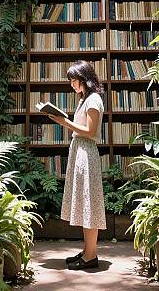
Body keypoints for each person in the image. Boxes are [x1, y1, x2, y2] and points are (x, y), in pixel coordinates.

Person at [45, 60, 106, 270]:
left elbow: (90, 131)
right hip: (80, 151)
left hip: (86, 152)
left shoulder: (94, 99)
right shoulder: (84, 99)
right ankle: (89, 252)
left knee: (89, 204)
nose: (71, 84)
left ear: (84, 79)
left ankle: (91, 256)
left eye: (74, 80)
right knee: (85, 204)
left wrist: (63, 122)